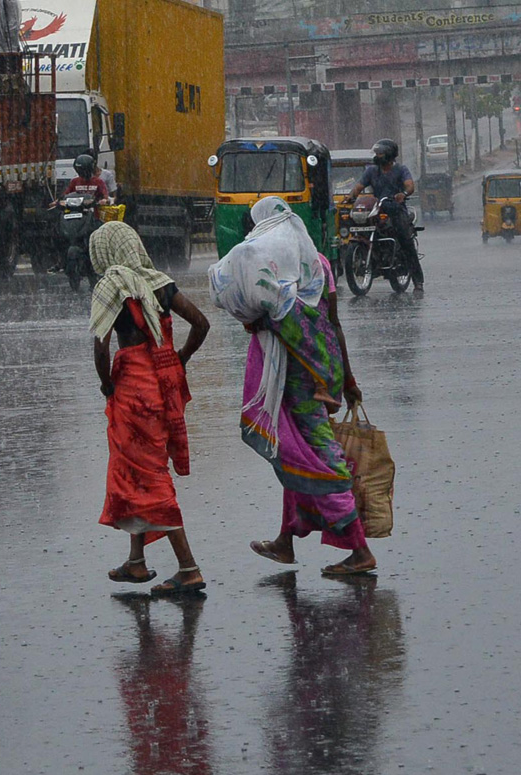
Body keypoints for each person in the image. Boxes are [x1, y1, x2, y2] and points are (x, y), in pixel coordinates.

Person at [209, 196, 375, 577]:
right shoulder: (318, 266)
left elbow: (282, 314)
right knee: (293, 451)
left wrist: (262, 319)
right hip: (318, 369)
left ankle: (359, 547)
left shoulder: (272, 269)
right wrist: (345, 377)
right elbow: (332, 325)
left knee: (317, 454)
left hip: (297, 376)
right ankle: (286, 540)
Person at [90, 221, 211, 596]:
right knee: (137, 471)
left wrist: (107, 383)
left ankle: (189, 568)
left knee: (150, 477)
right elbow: (201, 324)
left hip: (134, 392)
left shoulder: (112, 284)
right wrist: (180, 359)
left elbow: (100, 344)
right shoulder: (159, 283)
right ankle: (136, 563)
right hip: (163, 386)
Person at [347, 138, 424, 294]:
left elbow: (410, 186)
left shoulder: (401, 170)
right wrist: (351, 197)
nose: (377, 156)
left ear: (389, 154)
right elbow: (359, 186)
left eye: (380, 153)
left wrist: (403, 194)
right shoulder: (371, 171)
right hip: (377, 209)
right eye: (376, 153)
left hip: (396, 210)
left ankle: (418, 281)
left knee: (405, 240)